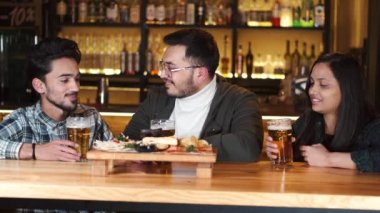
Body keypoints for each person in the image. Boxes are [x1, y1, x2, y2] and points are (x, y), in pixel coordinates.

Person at [124, 29, 263, 162]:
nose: (162, 74)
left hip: (211, 183)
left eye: (171, 68)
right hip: (161, 182)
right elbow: (128, 140)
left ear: (200, 73)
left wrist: (183, 145)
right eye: (163, 66)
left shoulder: (239, 100)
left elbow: (248, 147)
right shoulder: (158, 97)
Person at [0, 37, 113, 161]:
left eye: (77, 79)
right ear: (39, 86)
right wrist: (35, 150)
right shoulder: (22, 121)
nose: (75, 87)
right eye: (64, 80)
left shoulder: (92, 117)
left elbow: (117, 152)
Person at [265, 53, 380, 172]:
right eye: (312, 83)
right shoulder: (308, 120)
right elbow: (287, 156)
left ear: (347, 89)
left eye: (323, 84)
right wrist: (274, 151)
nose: (312, 90)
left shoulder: (372, 127)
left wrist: (329, 159)